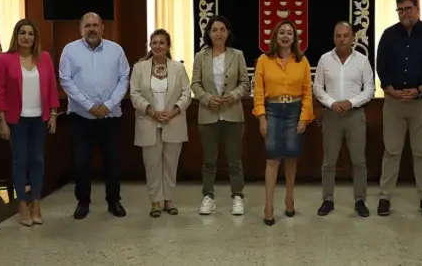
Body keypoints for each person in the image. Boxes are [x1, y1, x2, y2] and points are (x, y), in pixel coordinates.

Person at [376, 0, 422, 218]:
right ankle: (385, 197)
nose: (404, 13)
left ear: (417, 8)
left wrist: (421, 88)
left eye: (408, 8)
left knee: (421, 152)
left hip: (421, 102)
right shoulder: (388, 35)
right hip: (394, 103)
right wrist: (389, 87)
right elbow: (381, 65)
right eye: (400, 10)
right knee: (391, 151)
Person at [59, 12, 130, 220]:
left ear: (102, 28)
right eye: (87, 26)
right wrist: (90, 106)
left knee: (113, 161)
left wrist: (107, 106)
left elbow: (124, 79)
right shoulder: (70, 50)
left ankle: (114, 200)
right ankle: (83, 202)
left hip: (110, 117)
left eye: (95, 25)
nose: (92, 29)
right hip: (81, 117)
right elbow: (66, 81)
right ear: (80, 29)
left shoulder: (116, 50)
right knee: (81, 162)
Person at [0, 19, 59, 227]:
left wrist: (54, 114)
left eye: (30, 33)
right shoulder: (5, 59)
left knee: (38, 160)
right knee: (20, 161)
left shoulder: (45, 57)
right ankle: (22, 203)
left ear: (35, 37)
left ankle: (36, 202)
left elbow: (51, 86)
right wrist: (1, 121)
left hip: (39, 118)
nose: (26, 37)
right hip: (16, 119)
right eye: (23, 33)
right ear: (16, 35)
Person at [253, 20, 314, 226]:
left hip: (294, 111)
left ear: (295, 38)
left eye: (290, 32)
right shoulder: (264, 60)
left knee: (291, 157)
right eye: (282, 32)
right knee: (272, 158)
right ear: (275, 37)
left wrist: (304, 118)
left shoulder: (302, 61)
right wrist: (261, 117)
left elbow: (307, 92)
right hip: (272, 111)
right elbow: (258, 92)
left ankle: (289, 199)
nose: (286, 36)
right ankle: (268, 206)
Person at [313, 21, 374, 217]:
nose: (342, 39)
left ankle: (360, 201)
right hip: (331, 115)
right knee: (329, 162)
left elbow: (370, 89)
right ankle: (327, 200)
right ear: (334, 38)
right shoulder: (324, 60)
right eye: (338, 36)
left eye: (345, 35)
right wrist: (331, 103)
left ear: (352, 38)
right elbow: (318, 88)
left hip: (355, 115)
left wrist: (351, 102)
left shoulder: (362, 60)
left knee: (359, 161)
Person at [191, 16, 250, 216]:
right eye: (214, 30)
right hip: (208, 115)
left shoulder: (237, 55)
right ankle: (208, 197)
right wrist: (207, 99)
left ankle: (237, 197)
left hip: (233, 115)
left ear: (228, 32)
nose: (218, 33)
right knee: (209, 161)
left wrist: (234, 95)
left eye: (222, 29)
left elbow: (245, 83)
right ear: (208, 33)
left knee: (235, 161)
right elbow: (195, 84)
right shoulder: (201, 56)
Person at [130, 29, 191, 218]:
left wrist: (172, 112)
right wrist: (152, 112)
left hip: (173, 122)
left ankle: (168, 200)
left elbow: (186, 93)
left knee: (171, 164)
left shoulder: (178, 68)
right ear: (150, 45)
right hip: (148, 121)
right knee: (152, 164)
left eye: (161, 43)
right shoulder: (139, 68)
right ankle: (155, 201)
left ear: (168, 46)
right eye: (154, 42)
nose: (157, 46)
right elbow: (134, 94)